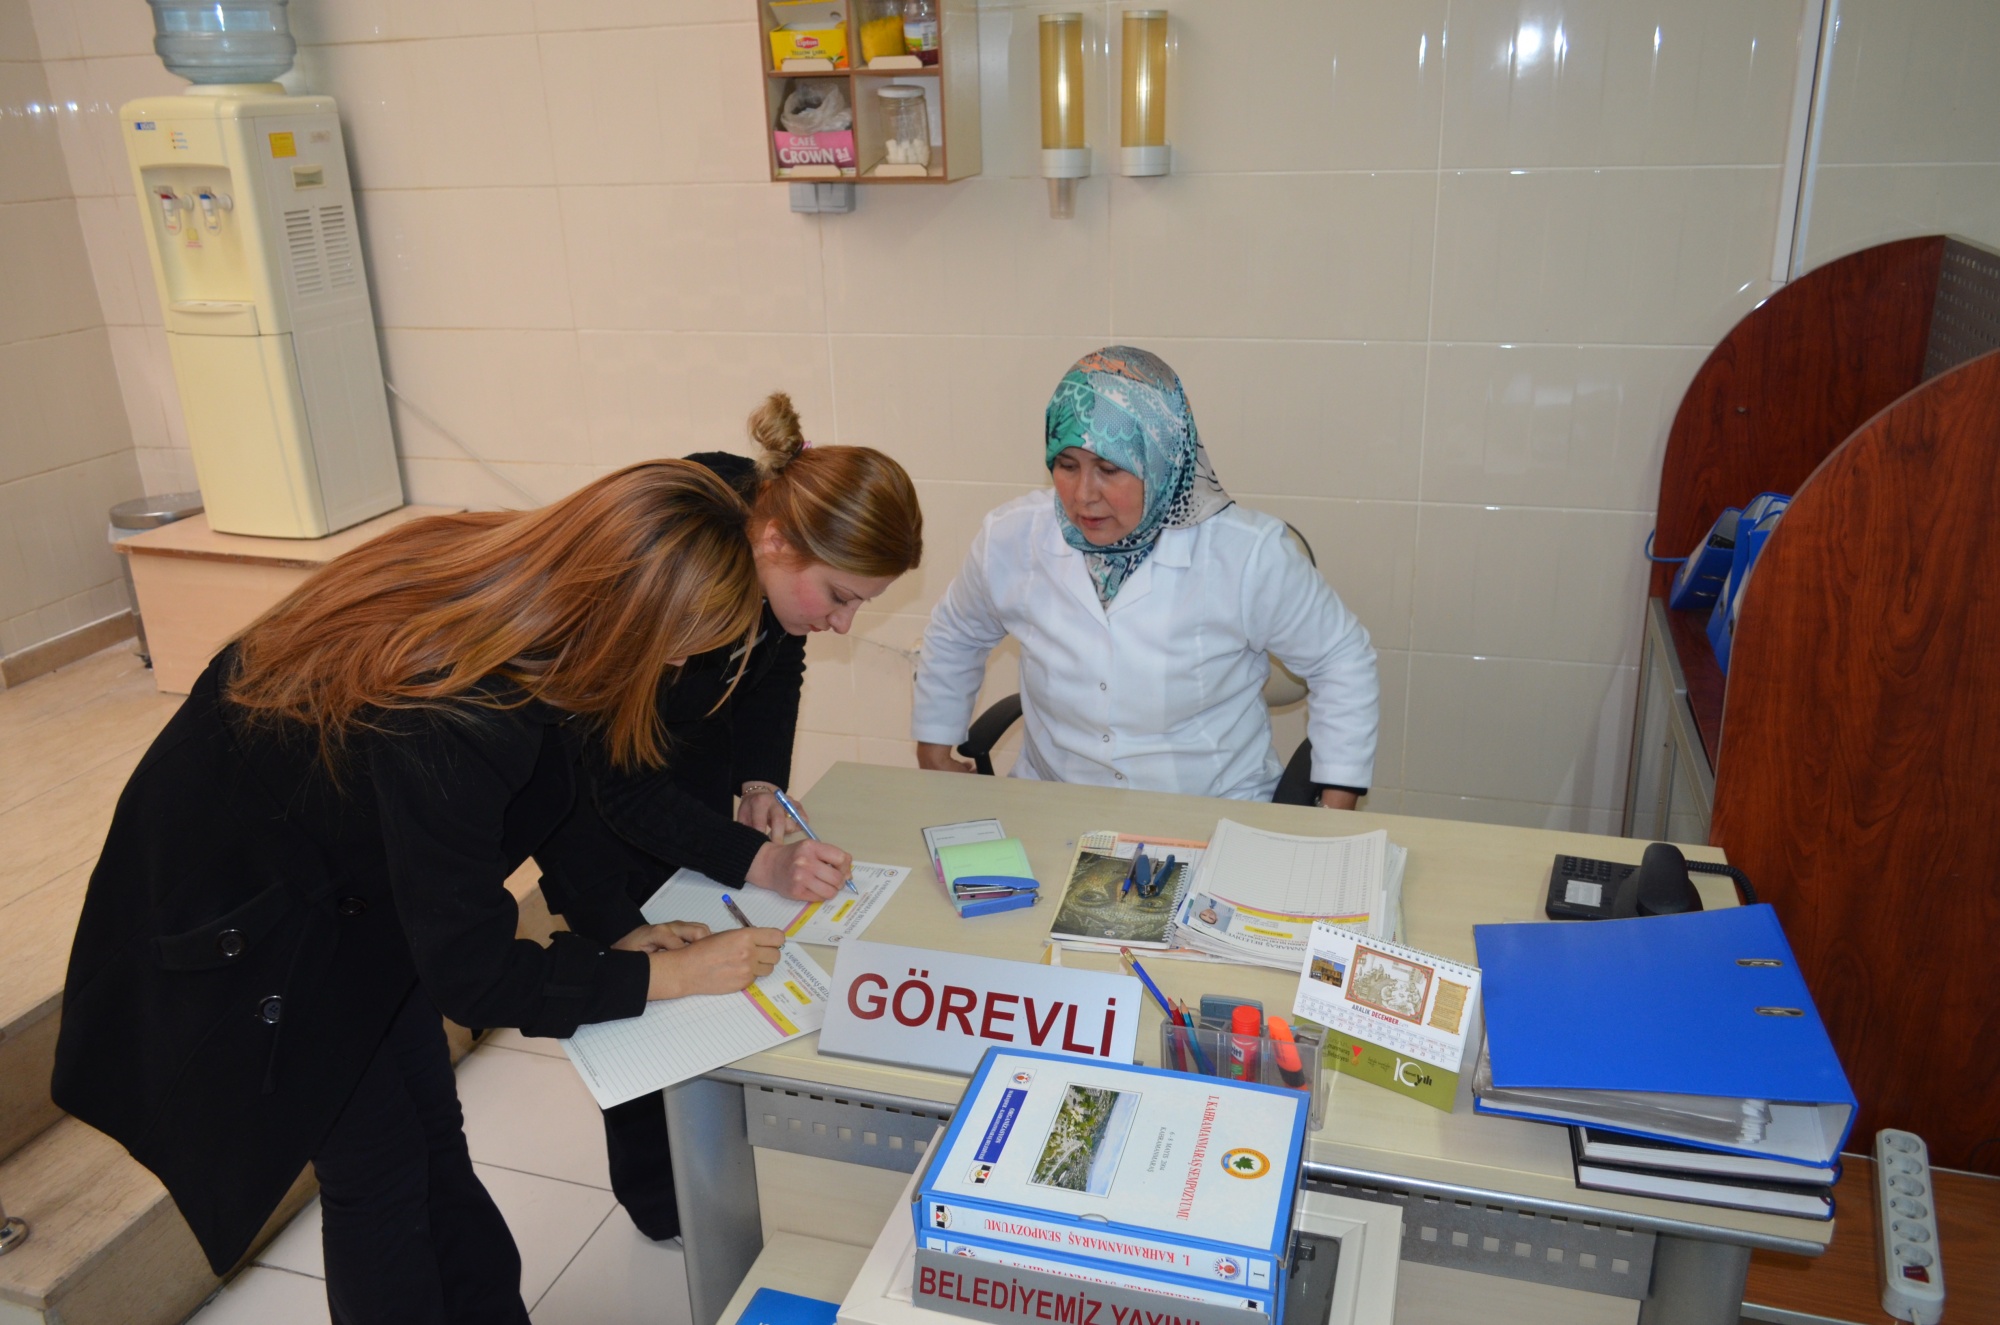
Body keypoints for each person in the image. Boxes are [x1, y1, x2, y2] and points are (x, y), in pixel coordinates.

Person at [51, 461, 785, 1325]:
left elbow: (563, 782)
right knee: (378, 1171)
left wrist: (616, 926)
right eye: (680, 641)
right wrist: (665, 977)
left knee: (429, 1128)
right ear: (629, 610)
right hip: (251, 914)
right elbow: (474, 974)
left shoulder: (537, 596)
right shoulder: (460, 702)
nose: (679, 662)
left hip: (345, 874)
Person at [533, 392, 923, 1240]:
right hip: (583, 810)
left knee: (707, 962)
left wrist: (758, 779)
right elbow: (617, 788)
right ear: (775, 541)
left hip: (680, 766)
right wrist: (760, 861)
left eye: (860, 603)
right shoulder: (674, 556)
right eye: (841, 595)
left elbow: (782, 660)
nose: (844, 621)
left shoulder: (776, 527)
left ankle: (712, 1158)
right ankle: (662, 1202)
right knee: (637, 982)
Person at [912, 346, 1378, 805]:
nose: (1083, 495)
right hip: (1056, 802)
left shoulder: (1247, 553)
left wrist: (1335, 804)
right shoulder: (1012, 536)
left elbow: (1341, 660)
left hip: (1211, 809)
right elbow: (957, 632)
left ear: (1161, 461)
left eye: (1109, 469)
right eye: (1067, 465)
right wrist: (934, 745)